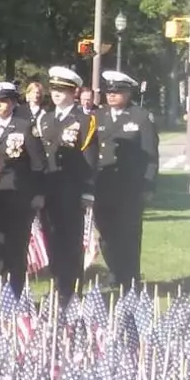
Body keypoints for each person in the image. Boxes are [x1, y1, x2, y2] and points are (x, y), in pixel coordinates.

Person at [0, 81, 47, 297]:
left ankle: (16, 295)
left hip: (19, 199)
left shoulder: (25, 127)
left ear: (13, 102)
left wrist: (36, 196)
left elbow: (38, 164)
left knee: (16, 250)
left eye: (4, 101)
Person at [93, 70, 159, 289]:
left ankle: (130, 277)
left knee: (128, 233)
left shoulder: (140, 117)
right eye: (108, 92)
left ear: (128, 93)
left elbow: (150, 154)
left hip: (130, 187)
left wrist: (149, 184)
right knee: (105, 233)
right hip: (103, 185)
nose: (111, 96)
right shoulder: (98, 116)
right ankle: (114, 271)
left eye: (117, 92)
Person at [38, 66, 99, 302]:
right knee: (51, 239)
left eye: (62, 90)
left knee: (71, 241)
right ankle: (57, 284)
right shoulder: (46, 119)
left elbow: (90, 160)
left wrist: (88, 192)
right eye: (53, 89)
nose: (56, 94)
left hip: (71, 191)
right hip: (48, 190)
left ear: (74, 92)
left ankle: (72, 289)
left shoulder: (84, 121)